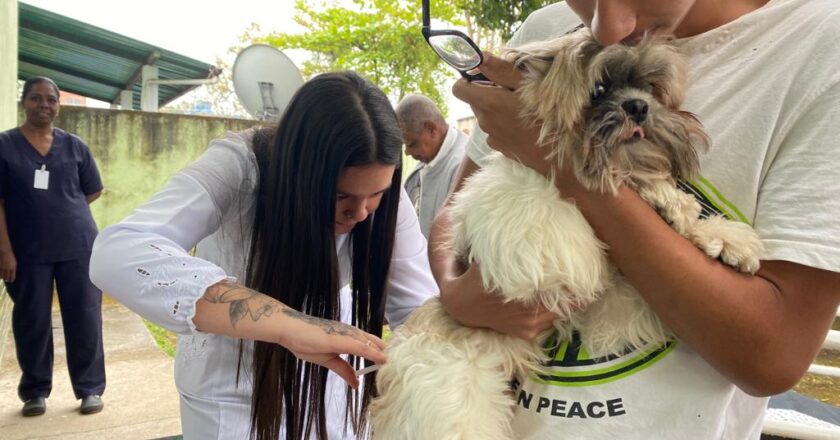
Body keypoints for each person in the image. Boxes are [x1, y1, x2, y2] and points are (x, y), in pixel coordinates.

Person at [430, 0, 840, 438]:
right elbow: (449, 225)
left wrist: (565, 163)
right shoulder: (544, 30)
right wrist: (455, 292)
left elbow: (772, 357)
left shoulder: (819, 47)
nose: (607, 26)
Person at [89, 71, 437, 440]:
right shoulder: (241, 167)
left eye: (376, 194)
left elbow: (418, 312)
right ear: (300, 173)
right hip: (231, 390)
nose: (362, 212)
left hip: (331, 387)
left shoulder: (384, 199)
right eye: (340, 196)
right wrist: (290, 325)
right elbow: (117, 251)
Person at [0, 76, 106, 417]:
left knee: (85, 318)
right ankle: (34, 392)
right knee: (31, 320)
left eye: (51, 99)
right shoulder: (4, 145)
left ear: (59, 105)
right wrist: (4, 251)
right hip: (27, 252)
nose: (44, 105)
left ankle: (90, 389)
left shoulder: (75, 146)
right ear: (24, 102)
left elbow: (92, 190)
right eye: (36, 98)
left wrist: (62, 209)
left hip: (78, 247)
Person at [396, 94, 467, 238]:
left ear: (431, 129)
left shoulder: (463, 168)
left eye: (412, 144)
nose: (408, 152)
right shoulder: (425, 163)